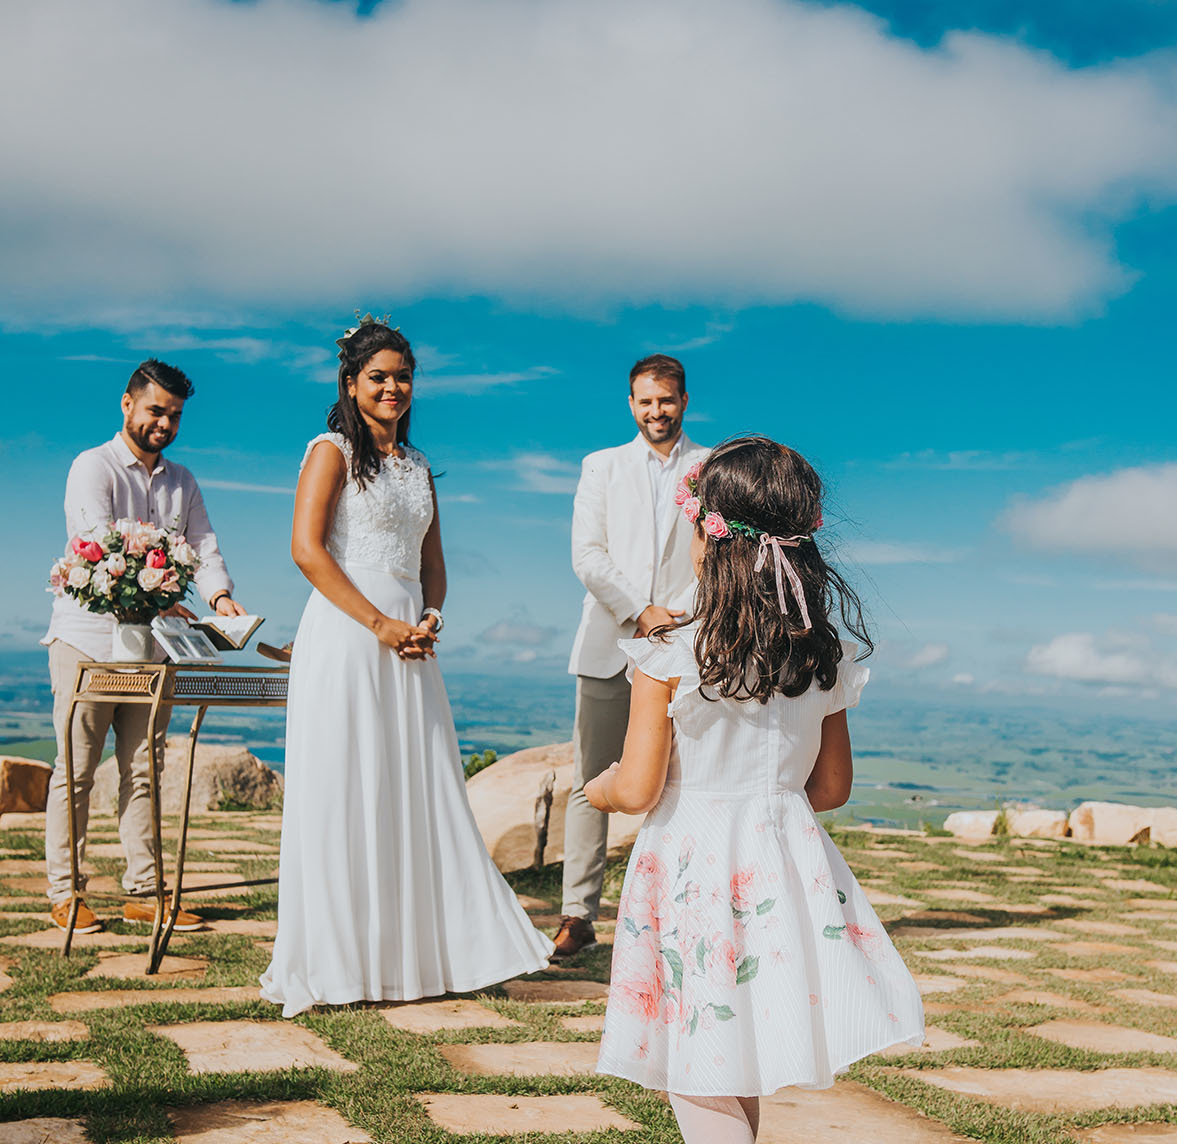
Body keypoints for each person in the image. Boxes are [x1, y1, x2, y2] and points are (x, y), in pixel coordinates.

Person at [586, 437, 924, 1144]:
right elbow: (832, 788)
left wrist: (604, 789)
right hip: (779, 861)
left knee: (694, 1063)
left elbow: (646, 782)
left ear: (708, 536)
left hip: (694, 860)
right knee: (727, 1049)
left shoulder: (672, 649)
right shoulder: (821, 652)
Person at [260, 318, 552, 1016]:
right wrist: (379, 623)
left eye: (402, 374)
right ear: (352, 383)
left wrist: (428, 620)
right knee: (346, 787)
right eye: (378, 375)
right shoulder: (329, 451)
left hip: (410, 643)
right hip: (347, 635)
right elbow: (306, 550)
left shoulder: (419, 467)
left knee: (415, 788)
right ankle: (339, 960)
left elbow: (434, 568)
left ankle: (423, 953)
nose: (392, 386)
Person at [42, 359, 245, 935]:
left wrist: (222, 599)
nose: (165, 423)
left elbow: (203, 544)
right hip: (86, 641)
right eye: (157, 410)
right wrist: (162, 600)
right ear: (127, 404)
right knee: (76, 771)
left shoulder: (183, 480)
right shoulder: (93, 466)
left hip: (154, 649)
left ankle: (144, 891)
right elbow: (98, 544)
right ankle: (65, 891)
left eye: (175, 415)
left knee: (143, 771)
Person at [555, 354, 706, 961]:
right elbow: (587, 555)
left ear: (684, 401)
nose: (656, 411)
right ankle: (577, 914)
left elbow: (718, 554)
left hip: (686, 646)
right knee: (589, 781)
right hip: (605, 642)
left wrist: (678, 616)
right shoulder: (601, 466)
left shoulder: (710, 467)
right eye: (645, 401)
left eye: (666, 400)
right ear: (630, 403)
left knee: (682, 782)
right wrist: (640, 610)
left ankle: (674, 912)